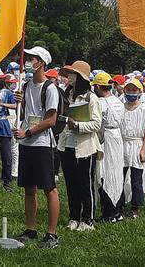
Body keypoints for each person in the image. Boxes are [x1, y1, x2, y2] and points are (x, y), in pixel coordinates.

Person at [14, 46, 61, 249]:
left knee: (49, 188)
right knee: (29, 189)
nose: (28, 61)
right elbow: (27, 112)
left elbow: (51, 120)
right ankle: (31, 228)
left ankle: (51, 233)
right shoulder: (26, 85)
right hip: (27, 143)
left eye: (32, 58)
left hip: (42, 144)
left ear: (41, 62)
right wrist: (20, 103)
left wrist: (29, 132)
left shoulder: (50, 89)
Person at [57, 61, 102, 232]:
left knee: (85, 183)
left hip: (84, 146)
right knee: (71, 183)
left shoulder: (91, 98)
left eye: (73, 74)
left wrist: (79, 126)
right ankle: (74, 216)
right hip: (67, 143)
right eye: (68, 74)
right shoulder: (65, 95)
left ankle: (88, 218)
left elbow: (97, 124)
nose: (69, 77)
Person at [118, 78, 145, 219]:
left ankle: (135, 207)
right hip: (123, 144)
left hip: (137, 144)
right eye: (129, 90)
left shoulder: (144, 109)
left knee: (136, 179)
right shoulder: (121, 107)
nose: (131, 93)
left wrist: (143, 149)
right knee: (119, 176)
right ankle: (119, 205)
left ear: (139, 92)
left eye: (134, 90)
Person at [91, 72, 125, 223]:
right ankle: (117, 210)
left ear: (98, 86)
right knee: (117, 172)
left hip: (105, 137)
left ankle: (108, 212)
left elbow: (98, 124)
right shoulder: (118, 101)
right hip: (117, 135)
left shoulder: (100, 103)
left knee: (104, 172)